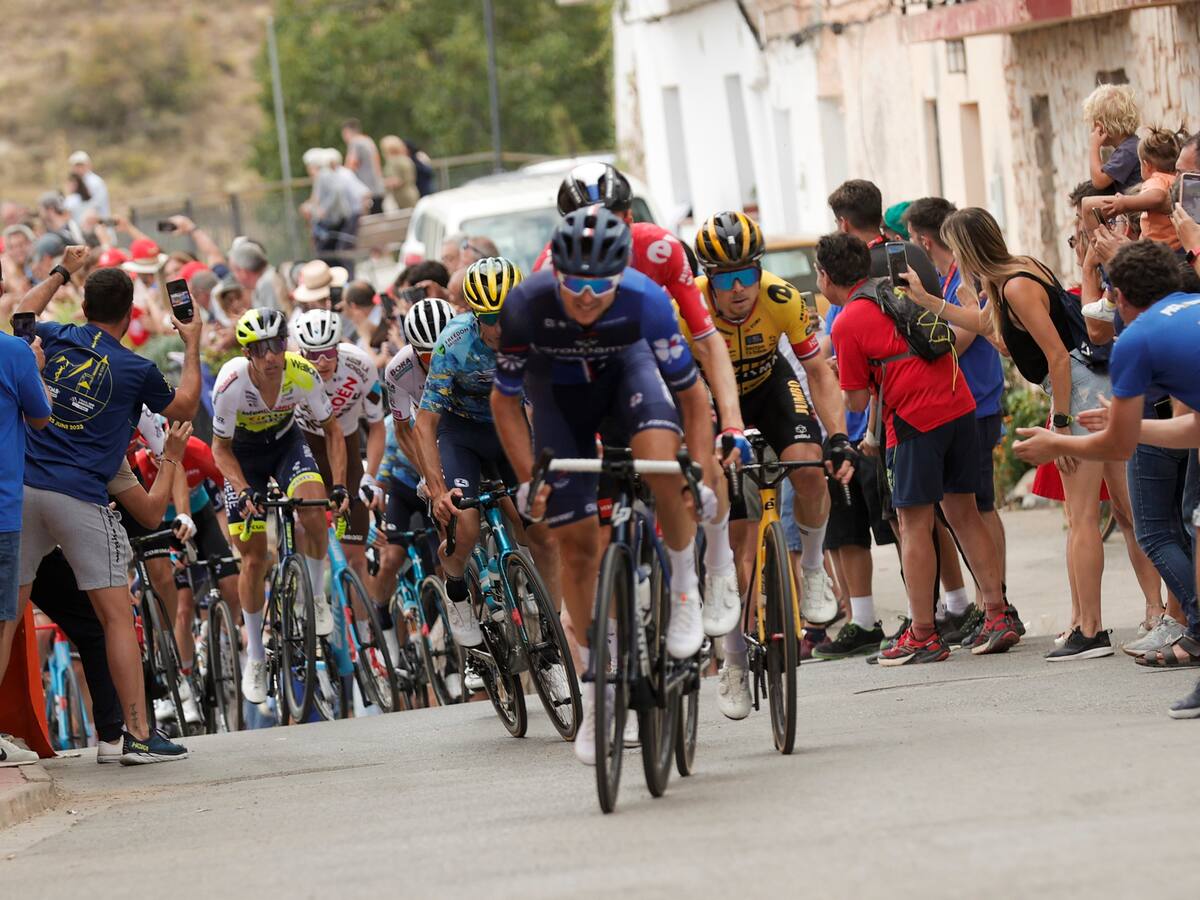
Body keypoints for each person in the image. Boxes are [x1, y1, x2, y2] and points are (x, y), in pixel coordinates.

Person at [490, 208, 719, 765]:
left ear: (622, 275)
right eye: (575, 284)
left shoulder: (645, 299)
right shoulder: (526, 305)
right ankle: (597, 691)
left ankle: (685, 589)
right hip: (560, 400)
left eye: (601, 284)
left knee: (662, 468)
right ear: (555, 273)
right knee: (575, 547)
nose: (588, 297)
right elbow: (504, 401)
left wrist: (698, 469)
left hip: (628, 380)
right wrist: (530, 481)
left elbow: (692, 397)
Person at [12, 251, 201, 763]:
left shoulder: (55, 335)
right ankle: (135, 735)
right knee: (117, 617)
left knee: (7, 615)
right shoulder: (136, 369)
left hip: (24, 491)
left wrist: (60, 270)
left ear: (84, 305)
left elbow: (21, 315)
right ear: (129, 312)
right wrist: (192, 342)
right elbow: (185, 406)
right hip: (81, 497)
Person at [925, 207, 1121, 659]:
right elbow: (988, 327)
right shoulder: (1014, 272)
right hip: (1077, 388)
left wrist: (1061, 423)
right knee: (1090, 516)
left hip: (1076, 390)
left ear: (968, 249)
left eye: (956, 249)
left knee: (1083, 518)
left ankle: (1091, 630)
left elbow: (1057, 356)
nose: (954, 257)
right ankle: (1081, 622)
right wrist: (928, 300)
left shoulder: (1014, 285)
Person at [1013, 241, 1200, 713]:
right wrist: (1128, 425)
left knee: (1163, 534)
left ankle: (1195, 633)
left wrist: (1058, 443)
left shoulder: (1137, 339)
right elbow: (1191, 428)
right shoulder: (1192, 307)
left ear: (1119, 298)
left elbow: (1117, 447)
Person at [682, 211, 852, 716]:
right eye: (725, 280)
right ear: (708, 280)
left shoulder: (783, 298)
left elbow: (817, 371)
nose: (738, 289)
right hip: (710, 399)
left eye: (746, 275)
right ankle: (733, 661)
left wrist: (838, 437)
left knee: (809, 466)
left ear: (759, 270)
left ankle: (814, 569)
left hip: (768, 388)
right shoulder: (684, 307)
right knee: (737, 546)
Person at [819, 232, 1016, 665]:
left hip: (914, 420)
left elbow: (855, 402)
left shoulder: (846, 322)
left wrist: (840, 374)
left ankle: (923, 633)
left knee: (913, 524)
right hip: (959, 403)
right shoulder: (898, 292)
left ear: (825, 277)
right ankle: (997, 613)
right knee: (964, 513)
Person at [414, 257, 561, 660]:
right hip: (461, 434)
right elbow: (425, 423)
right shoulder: (454, 341)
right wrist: (438, 491)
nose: (499, 328)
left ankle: (554, 634)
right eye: (490, 318)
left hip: (510, 427)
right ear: (475, 315)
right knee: (464, 524)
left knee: (540, 529)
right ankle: (456, 589)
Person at [210, 308, 350, 704]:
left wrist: (340, 484)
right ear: (247, 353)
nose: (271, 356)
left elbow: (332, 430)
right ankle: (256, 655)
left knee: (314, 508)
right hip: (243, 457)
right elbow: (220, 449)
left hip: (286, 445)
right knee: (254, 559)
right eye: (260, 349)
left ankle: (317, 598)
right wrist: (242, 490)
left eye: (277, 345)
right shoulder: (231, 383)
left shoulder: (302, 372)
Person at [902, 197, 1008, 641]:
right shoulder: (948, 277)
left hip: (978, 401)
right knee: (967, 508)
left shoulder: (968, 278)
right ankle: (990, 603)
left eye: (913, 241)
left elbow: (957, 340)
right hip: (966, 402)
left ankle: (998, 603)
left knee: (980, 507)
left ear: (925, 241)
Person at [291, 308, 387, 594]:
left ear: (339, 346)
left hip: (346, 444)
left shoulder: (361, 365)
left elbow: (377, 426)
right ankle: (311, 595)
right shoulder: (290, 372)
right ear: (302, 352)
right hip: (306, 444)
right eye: (313, 355)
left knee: (355, 557)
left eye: (329, 353)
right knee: (307, 526)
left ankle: (362, 622)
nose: (322, 362)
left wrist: (370, 476)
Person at [0, 306, 51, 766]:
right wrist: (34, 366)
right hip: (1, 509)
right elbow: (40, 417)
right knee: (1, 623)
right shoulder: (14, 352)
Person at [1096, 128, 1181, 250]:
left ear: (1147, 165)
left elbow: (1158, 197)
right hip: (1174, 244)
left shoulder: (1156, 180)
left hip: (1159, 249)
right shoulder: (1175, 179)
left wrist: (1125, 203)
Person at [1084, 84, 1142, 194]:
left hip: (1137, 204)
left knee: (1088, 203)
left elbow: (1099, 181)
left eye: (1094, 124)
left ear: (1102, 126)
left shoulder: (1127, 151)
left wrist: (1094, 147)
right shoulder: (1130, 146)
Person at [342, 119, 386, 216]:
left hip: (366, 191)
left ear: (347, 132)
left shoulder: (355, 142)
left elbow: (351, 165)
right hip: (378, 187)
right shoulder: (368, 140)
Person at [381, 135, 420, 210]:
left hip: (402, 197)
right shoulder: (406, 159)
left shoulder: (394, 161)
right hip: (412, 193)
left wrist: (381, 182)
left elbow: (396, 181)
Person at [69, 150, 111, 219]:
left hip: (98, 221)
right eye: (76, 165)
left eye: (81, 165)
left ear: (88, 165)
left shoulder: (95, 182)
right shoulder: (76, 182)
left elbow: (95, 205)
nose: (78, 168)